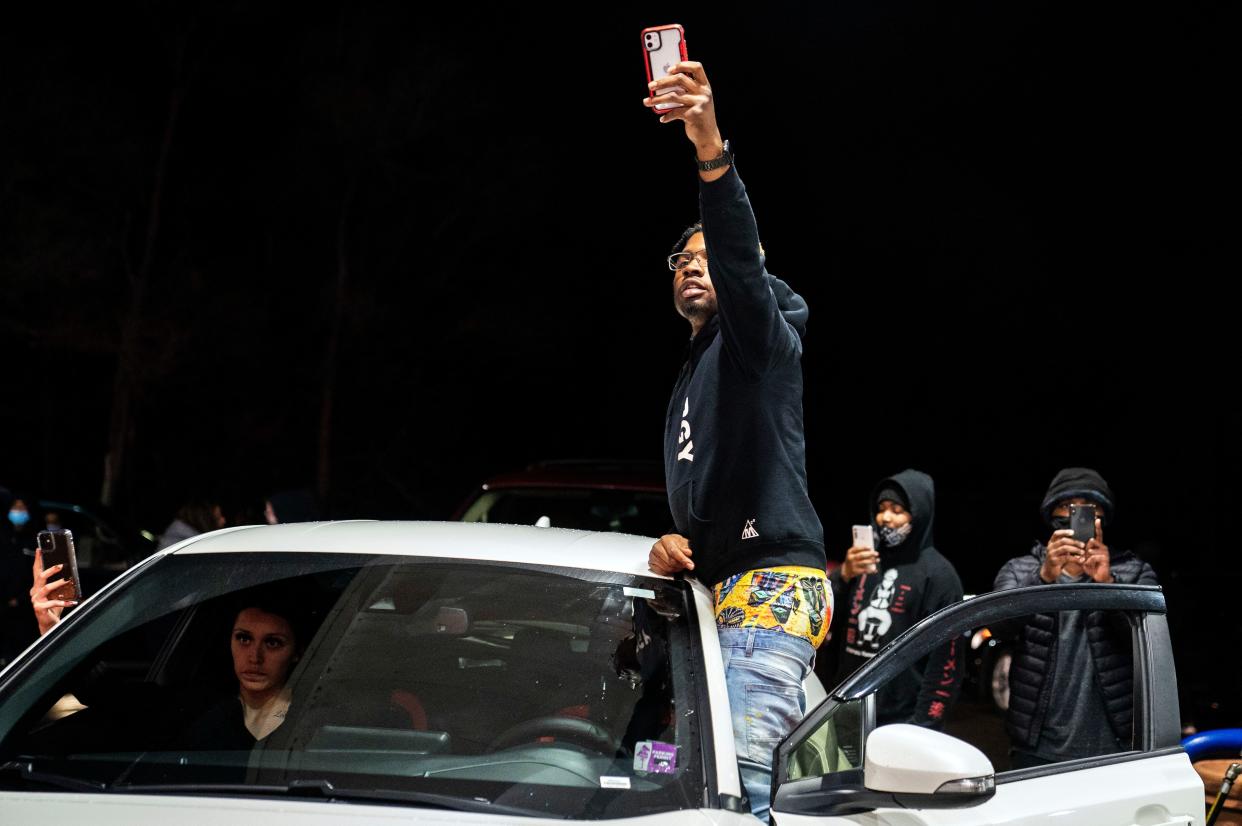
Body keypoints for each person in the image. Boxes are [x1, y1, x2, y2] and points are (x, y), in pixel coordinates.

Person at [642, 61, 829, 820]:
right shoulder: (697, 374)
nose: (693, 265)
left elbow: (741, 260)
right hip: (726, 593)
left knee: (740, 800)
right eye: (680, 260)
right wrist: (675, 544)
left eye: (705, 257)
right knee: (696, 786)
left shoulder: (760, 340)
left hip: (771, 588)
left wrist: (708, 146)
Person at [31, 555, 303, 747]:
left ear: (297, 652)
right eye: (244, 639)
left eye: (273, 642)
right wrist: (54, 631)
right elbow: (108, 695)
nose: (254, 656)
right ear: (229, 640)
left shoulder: (320, 718)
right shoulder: (193, 707)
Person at [993, 467, 1158, 768]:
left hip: (1113, 745)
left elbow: (1148, 643)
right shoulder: (1019, 570)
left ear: (1102, 517)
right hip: (1036, 744)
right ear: (1051, 515)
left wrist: (1108, 586)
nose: (1075, 516)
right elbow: (999, 627)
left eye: (1088, 508)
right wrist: (1042, 579)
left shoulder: (1134, 572)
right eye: (1066, 507)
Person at [826, 469, 964, 727]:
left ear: (918, 513)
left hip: (901, 722)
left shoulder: (939, 576)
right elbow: (829, 621)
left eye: (897, 510)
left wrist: (924, 727)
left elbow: (945, 664)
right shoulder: (864, 560)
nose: (885, 517)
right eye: (882, 508)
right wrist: (842, 576)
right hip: (846, 712)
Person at [156, 498, 226, 551]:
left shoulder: (186, 541)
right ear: (204, 520)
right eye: (217, 518)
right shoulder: (182, 545)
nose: (223, 520)